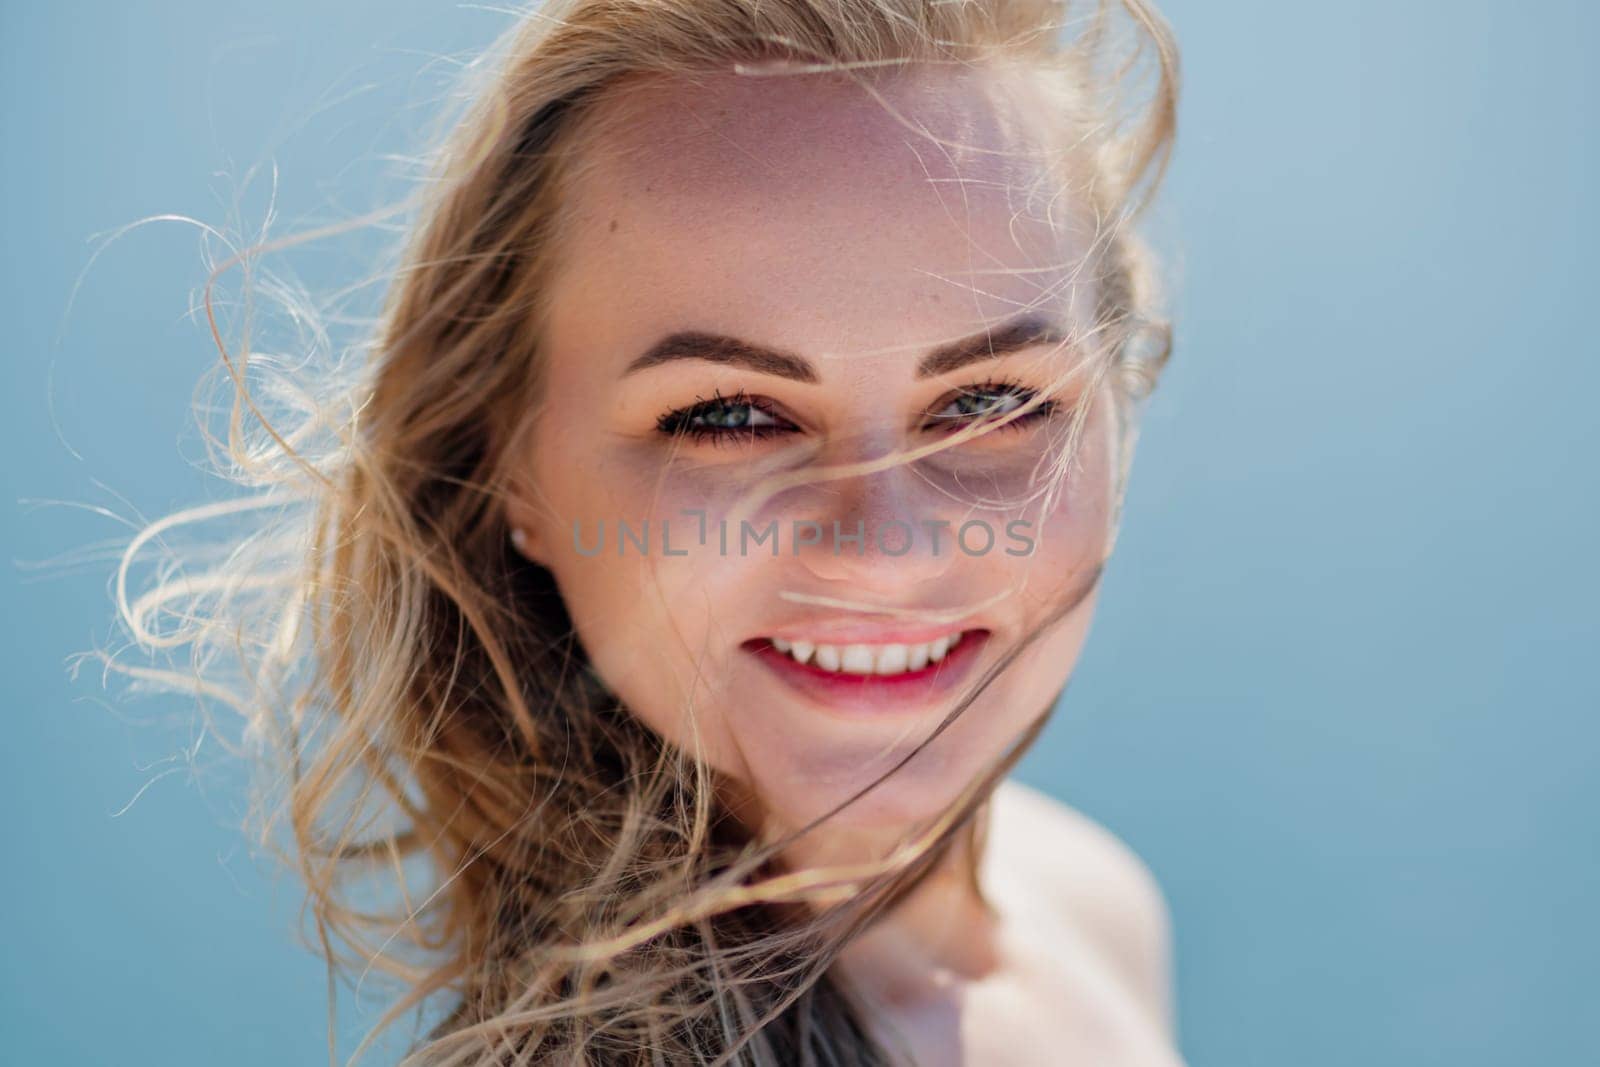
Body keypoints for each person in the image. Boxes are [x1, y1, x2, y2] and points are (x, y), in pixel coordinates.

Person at [110, 0, 1182, 1062]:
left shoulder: (1087, 895)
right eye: (727, 414)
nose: (882, 546)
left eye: (990, 400)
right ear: (510, 470)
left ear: (1119, 407)